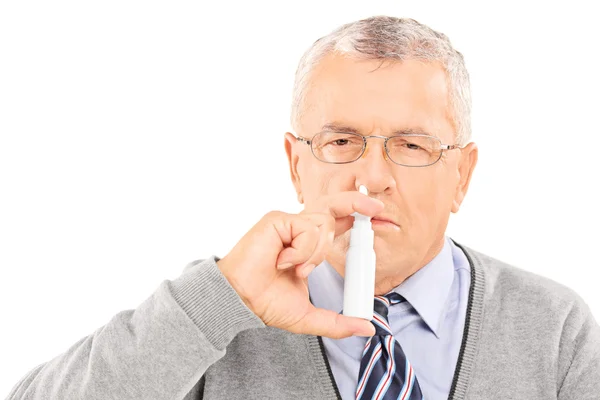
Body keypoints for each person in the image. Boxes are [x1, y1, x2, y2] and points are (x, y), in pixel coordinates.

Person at [6, 15, 599, 400]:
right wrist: (217, 302)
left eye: (411, 146)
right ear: (296, 165)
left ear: (462, 175)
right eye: (342, 143)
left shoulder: (554, 331)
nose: (371, 178)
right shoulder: (218, 313)